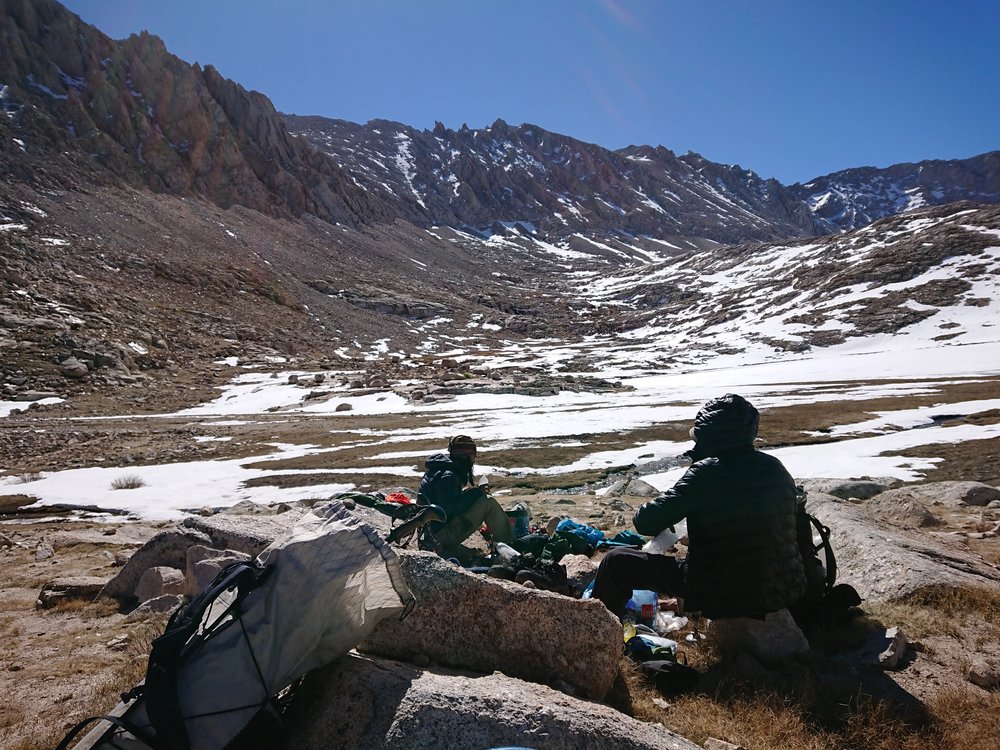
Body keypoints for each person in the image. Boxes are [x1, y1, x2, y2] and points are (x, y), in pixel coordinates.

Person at [591, 393, 807, 621]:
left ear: (709, 438)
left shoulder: (707, 472)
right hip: (783, 588)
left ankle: (599, 637)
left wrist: (684, 489)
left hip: (724, 590)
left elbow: (644, 522)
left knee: (615, 562)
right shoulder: (776, 468)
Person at [417, 435, 515, 554]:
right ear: (465, 456)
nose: (474, 460)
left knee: (482, 500)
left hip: (430, 533)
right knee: (488, 503)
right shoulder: (449, 476)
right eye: (473, 456)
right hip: (439, 536)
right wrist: (477, 493)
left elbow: (446, 501)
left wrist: (471, 494)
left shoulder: (441, 471)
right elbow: (449, 509)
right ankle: (509, 546)